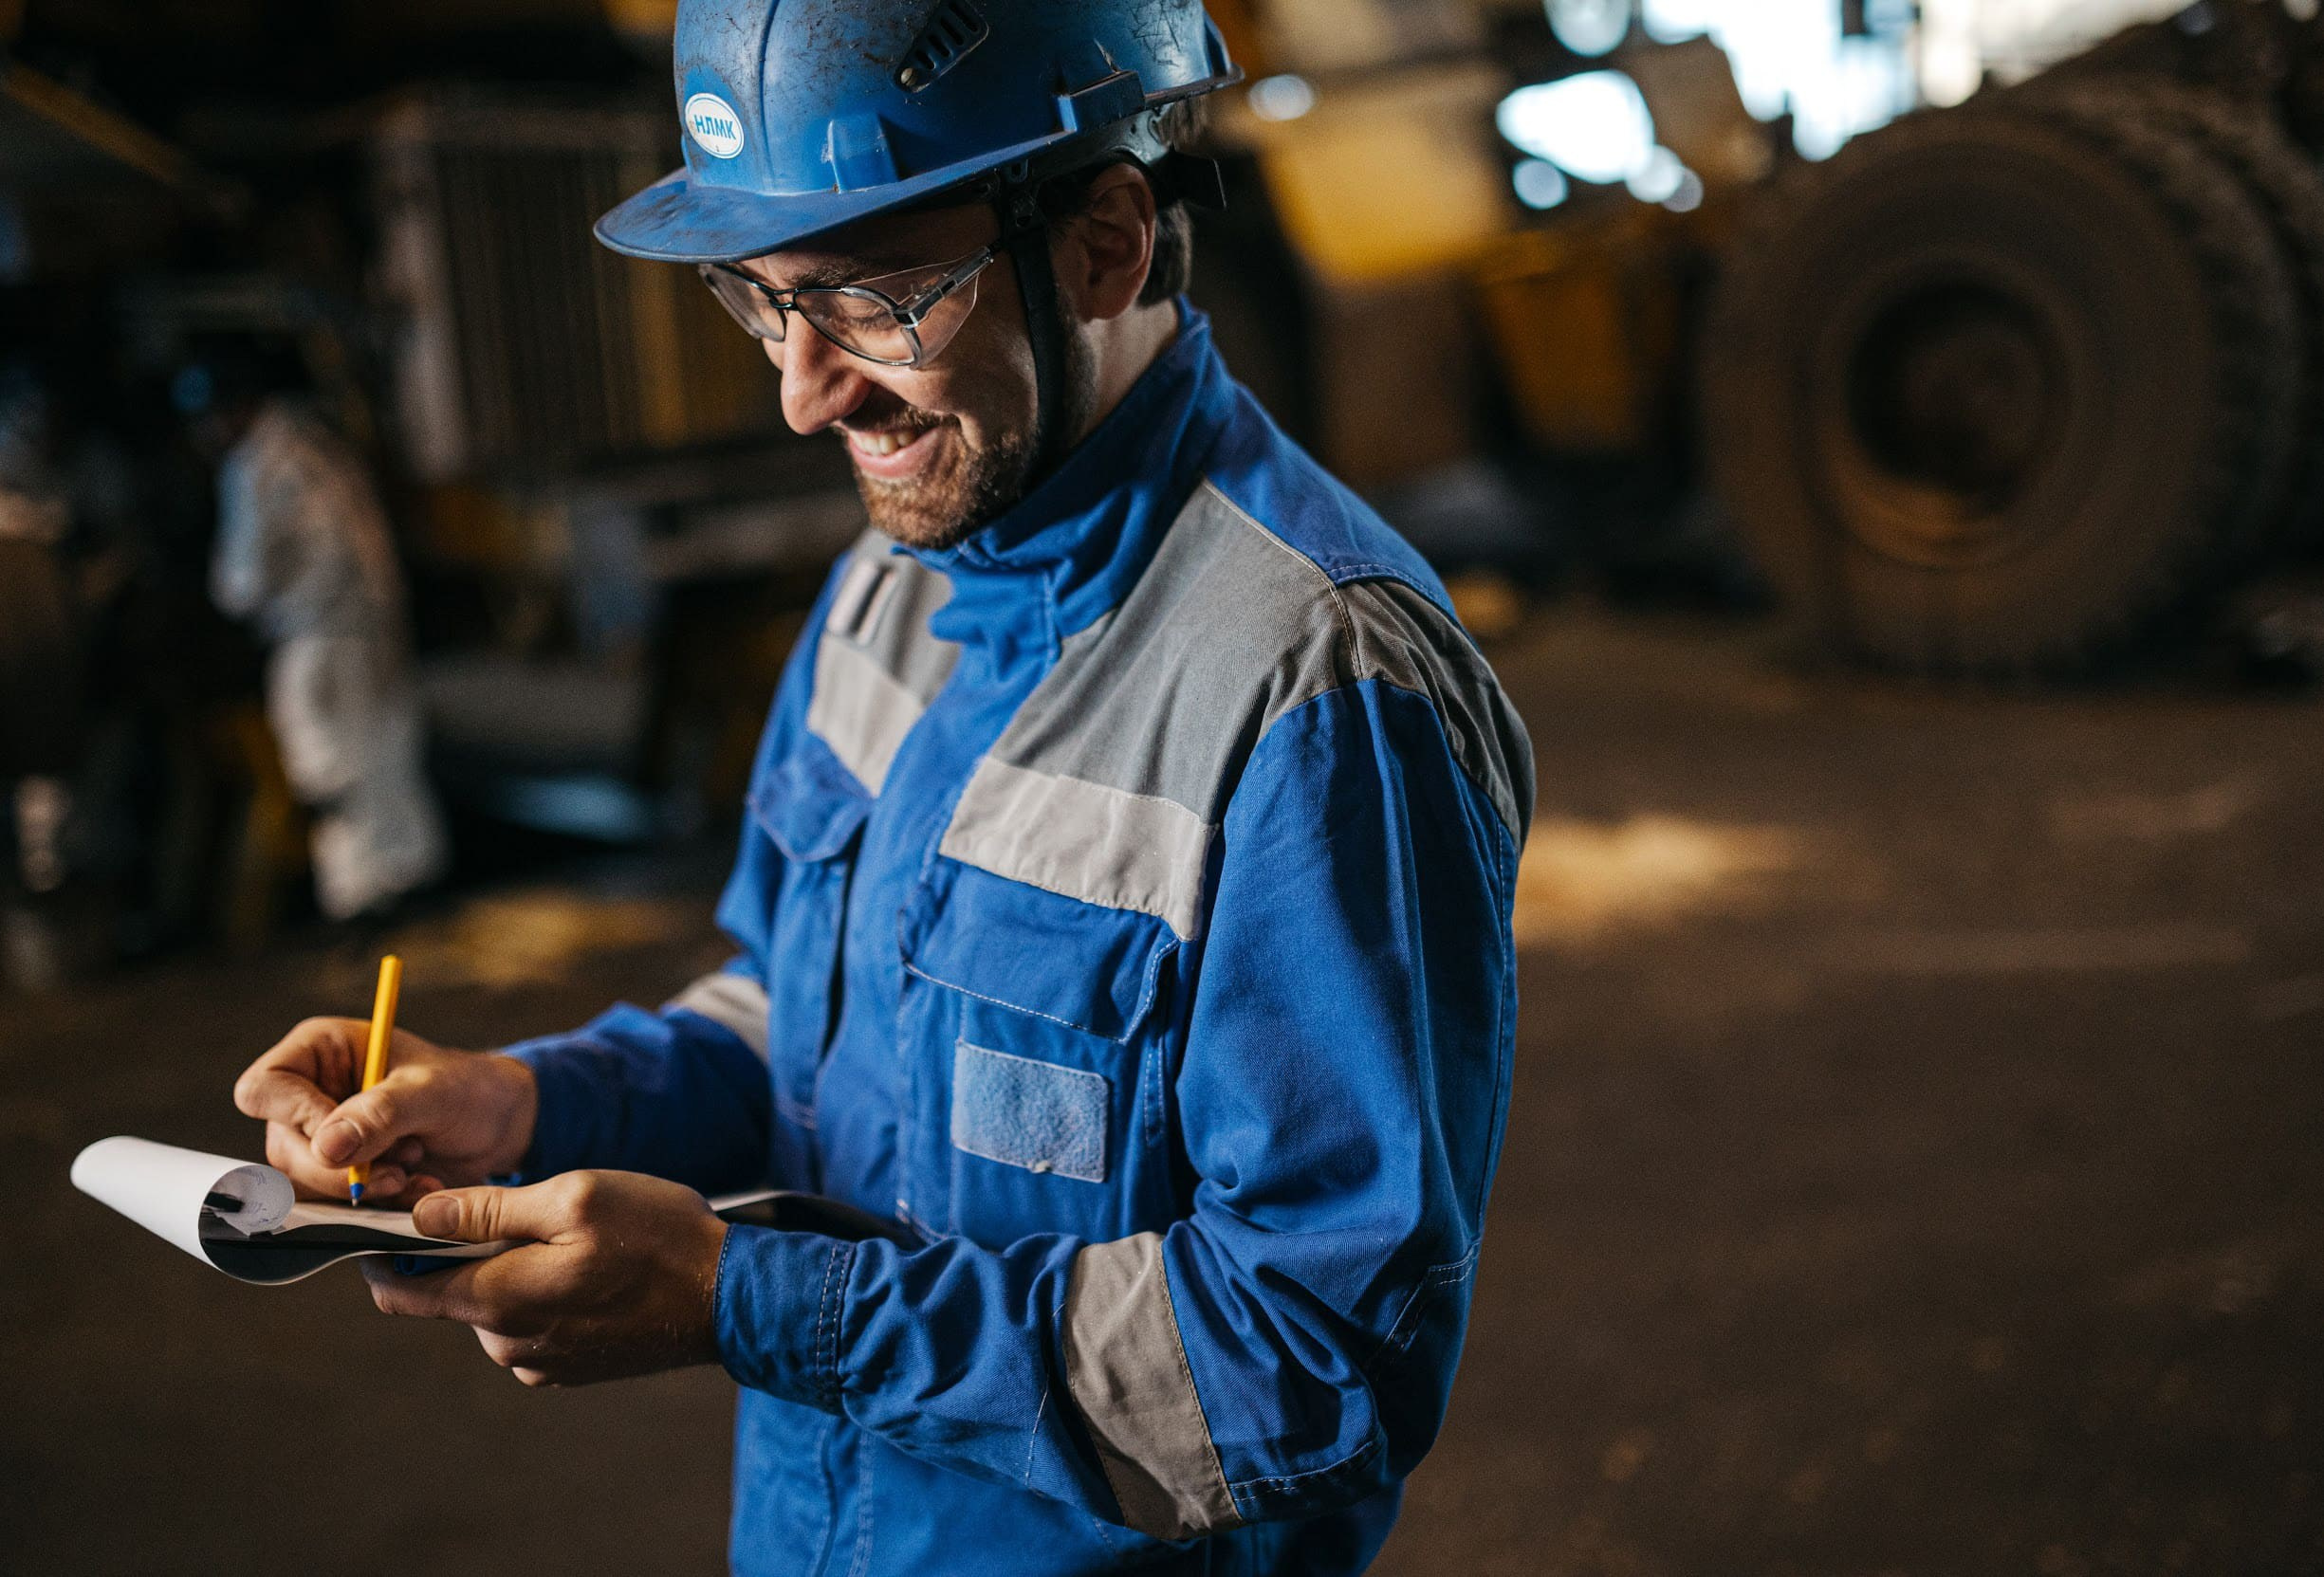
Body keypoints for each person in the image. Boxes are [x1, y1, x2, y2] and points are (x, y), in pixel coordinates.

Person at [233, 3, 1534, 1571]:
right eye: (766, 303)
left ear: (1106, 245)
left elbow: (1318, 1361)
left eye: (870, 297)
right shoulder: (896, 574)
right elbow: (801, 1009)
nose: (804, 393)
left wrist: (740, 1295)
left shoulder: (1314, 688)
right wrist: (533, 1098)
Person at [179, 354, 448, 922]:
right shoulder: (317, 442)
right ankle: (402, 885)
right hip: (365, 625)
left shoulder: (258, 464)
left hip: (313, 635)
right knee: (382, 749)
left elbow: (242, 583)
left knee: (329, 769)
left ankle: (359, 899)